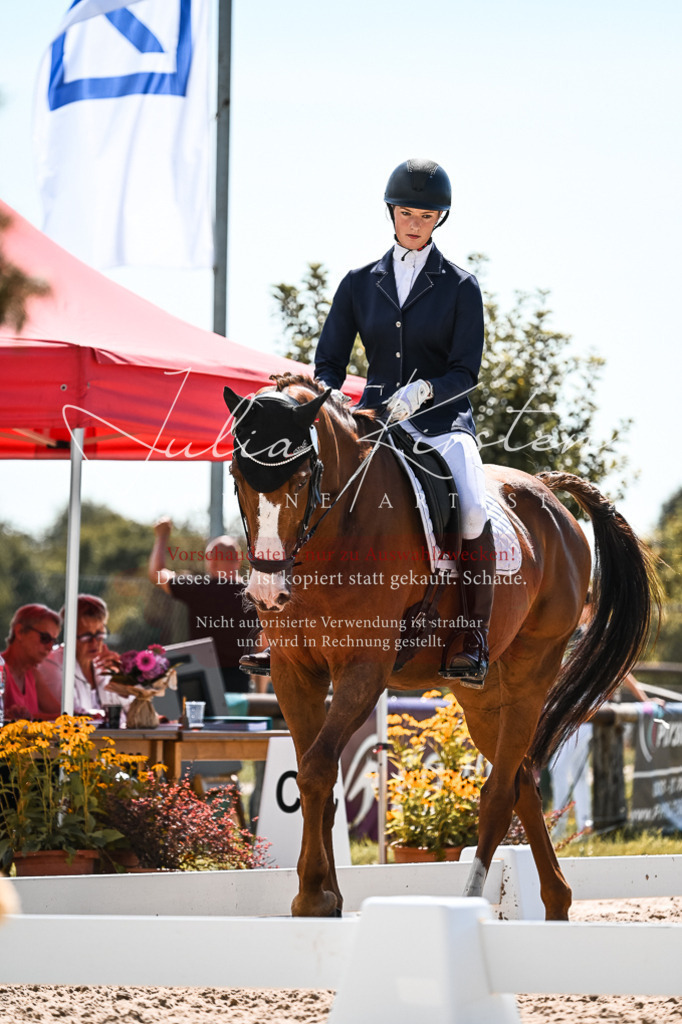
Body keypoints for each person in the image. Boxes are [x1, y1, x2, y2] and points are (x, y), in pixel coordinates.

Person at [313, 157, 493, 686]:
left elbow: (466, 371)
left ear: (440, 219)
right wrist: (330, 397)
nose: (415, 223)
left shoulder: (461, 286)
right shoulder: (358, 283)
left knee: (473, 506)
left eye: (427, 215)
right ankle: (281, 625)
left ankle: (472, 635)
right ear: (391, 212)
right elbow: (329, 361)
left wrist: (426, 389)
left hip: (441, 421)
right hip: (373, 421)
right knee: (307, 490)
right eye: (407, 213)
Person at [148, 519, 259, 694]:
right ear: (238, 561)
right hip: (240, 680)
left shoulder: (198, 588)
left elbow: (157, 573)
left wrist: (162, 536)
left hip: (202, 678)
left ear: (211, 562)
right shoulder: (254, 596)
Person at [38, 594, 133, 720]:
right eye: (86, 637)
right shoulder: (51, 665)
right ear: (69, 636)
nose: (94, 643)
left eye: (99, 635)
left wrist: (121, 678)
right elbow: (70, 714)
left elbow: (133, 710)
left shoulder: (104, 664)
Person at [2, 604, 62, 720]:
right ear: (19, 632)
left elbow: (63, 713)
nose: (50, 647)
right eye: (45, 638)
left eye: (53, 641)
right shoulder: (2, 670)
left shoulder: (32, 674)